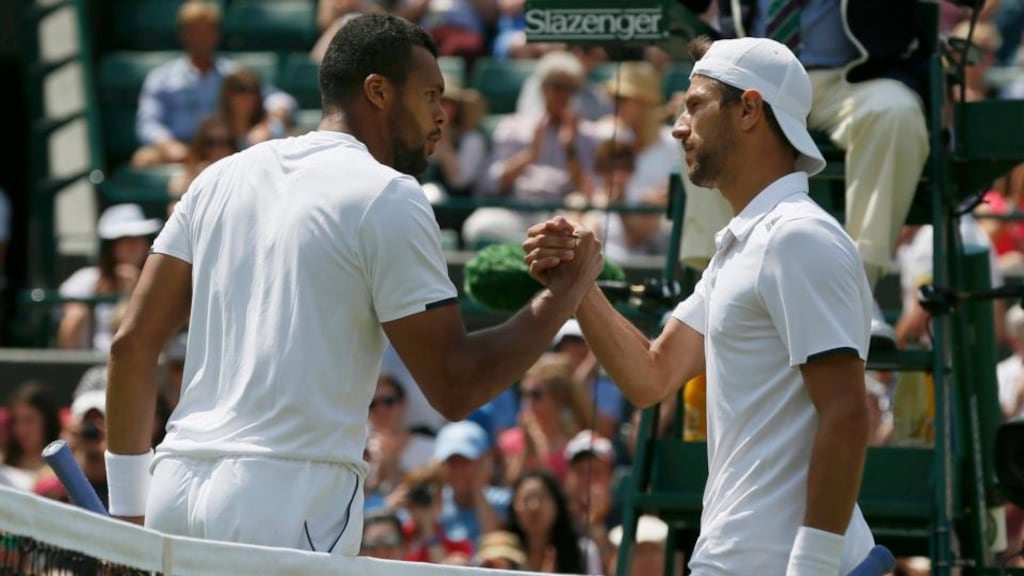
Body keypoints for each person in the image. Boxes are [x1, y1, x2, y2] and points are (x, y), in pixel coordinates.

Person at [105, 13, 602, 557]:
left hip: (174, 491)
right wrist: (563, 298)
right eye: (431, 94)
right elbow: (456, 385)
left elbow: (131, 345)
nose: (442, 115)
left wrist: (126, 516)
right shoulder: (391, 195)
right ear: (379, 92)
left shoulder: (217, 179)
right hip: (288, 503)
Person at [525, 37, 875, 574]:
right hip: (735, 558)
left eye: (694, 105)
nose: (678, 127)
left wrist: (813, 568)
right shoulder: (747, 243)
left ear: (750, 110)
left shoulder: (797, 237)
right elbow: (651, 376)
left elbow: (848, 414)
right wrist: (579, 287)